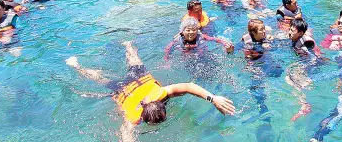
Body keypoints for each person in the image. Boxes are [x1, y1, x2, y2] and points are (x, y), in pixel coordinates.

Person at [66, 41, 235, 142]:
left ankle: (127, 45)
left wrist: (214, 98)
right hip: (124, 88)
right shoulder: (133, 117)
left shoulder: (161, 93)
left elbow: (189, 86)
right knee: (104, 78)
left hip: (138, 81)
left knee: (132, 63)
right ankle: (78, 66)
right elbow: (126, 136)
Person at [164, 18, 234, 60]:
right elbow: (168, 49)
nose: (191, 32)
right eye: (188, 30)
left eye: (194, 30)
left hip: (202, 55)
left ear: (197, 30)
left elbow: (216, 39)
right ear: (182, 31)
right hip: (187, 59)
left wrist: (225, 43)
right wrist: (167, 60)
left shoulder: (201, 37)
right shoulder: (177, 40)